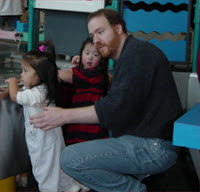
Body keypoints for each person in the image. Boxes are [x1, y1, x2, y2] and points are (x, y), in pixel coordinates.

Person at [30, 9, 183, 192]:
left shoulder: (137, 55)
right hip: (147, 140)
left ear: (118, 29)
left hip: (155, 147)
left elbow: (113, 109)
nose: (96, 40)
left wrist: (63, 116)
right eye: (92, 35)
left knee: (71, 158)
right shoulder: (130, 54)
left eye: (101, 32)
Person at [5, 40, 89, 192]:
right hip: (51, 138)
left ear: (39, 76)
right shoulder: (42, 89)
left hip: (42, 142)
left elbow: (15, 97)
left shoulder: (35, 94)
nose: (21, 75)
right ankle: (70, 187)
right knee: (56, 165)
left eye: (25, 71)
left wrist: (11, 82)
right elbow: (21, 91)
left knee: (43, 169)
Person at [58, 37, 109, 145]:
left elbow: (70, 76)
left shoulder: (96, 74)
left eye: (96, 55)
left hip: (90, 123)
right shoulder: (81, 70)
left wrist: (51, 71)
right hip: (79, 117)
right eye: (87, 53)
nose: (90, 57)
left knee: (84, 145)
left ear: (102, 60)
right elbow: (71, 72)